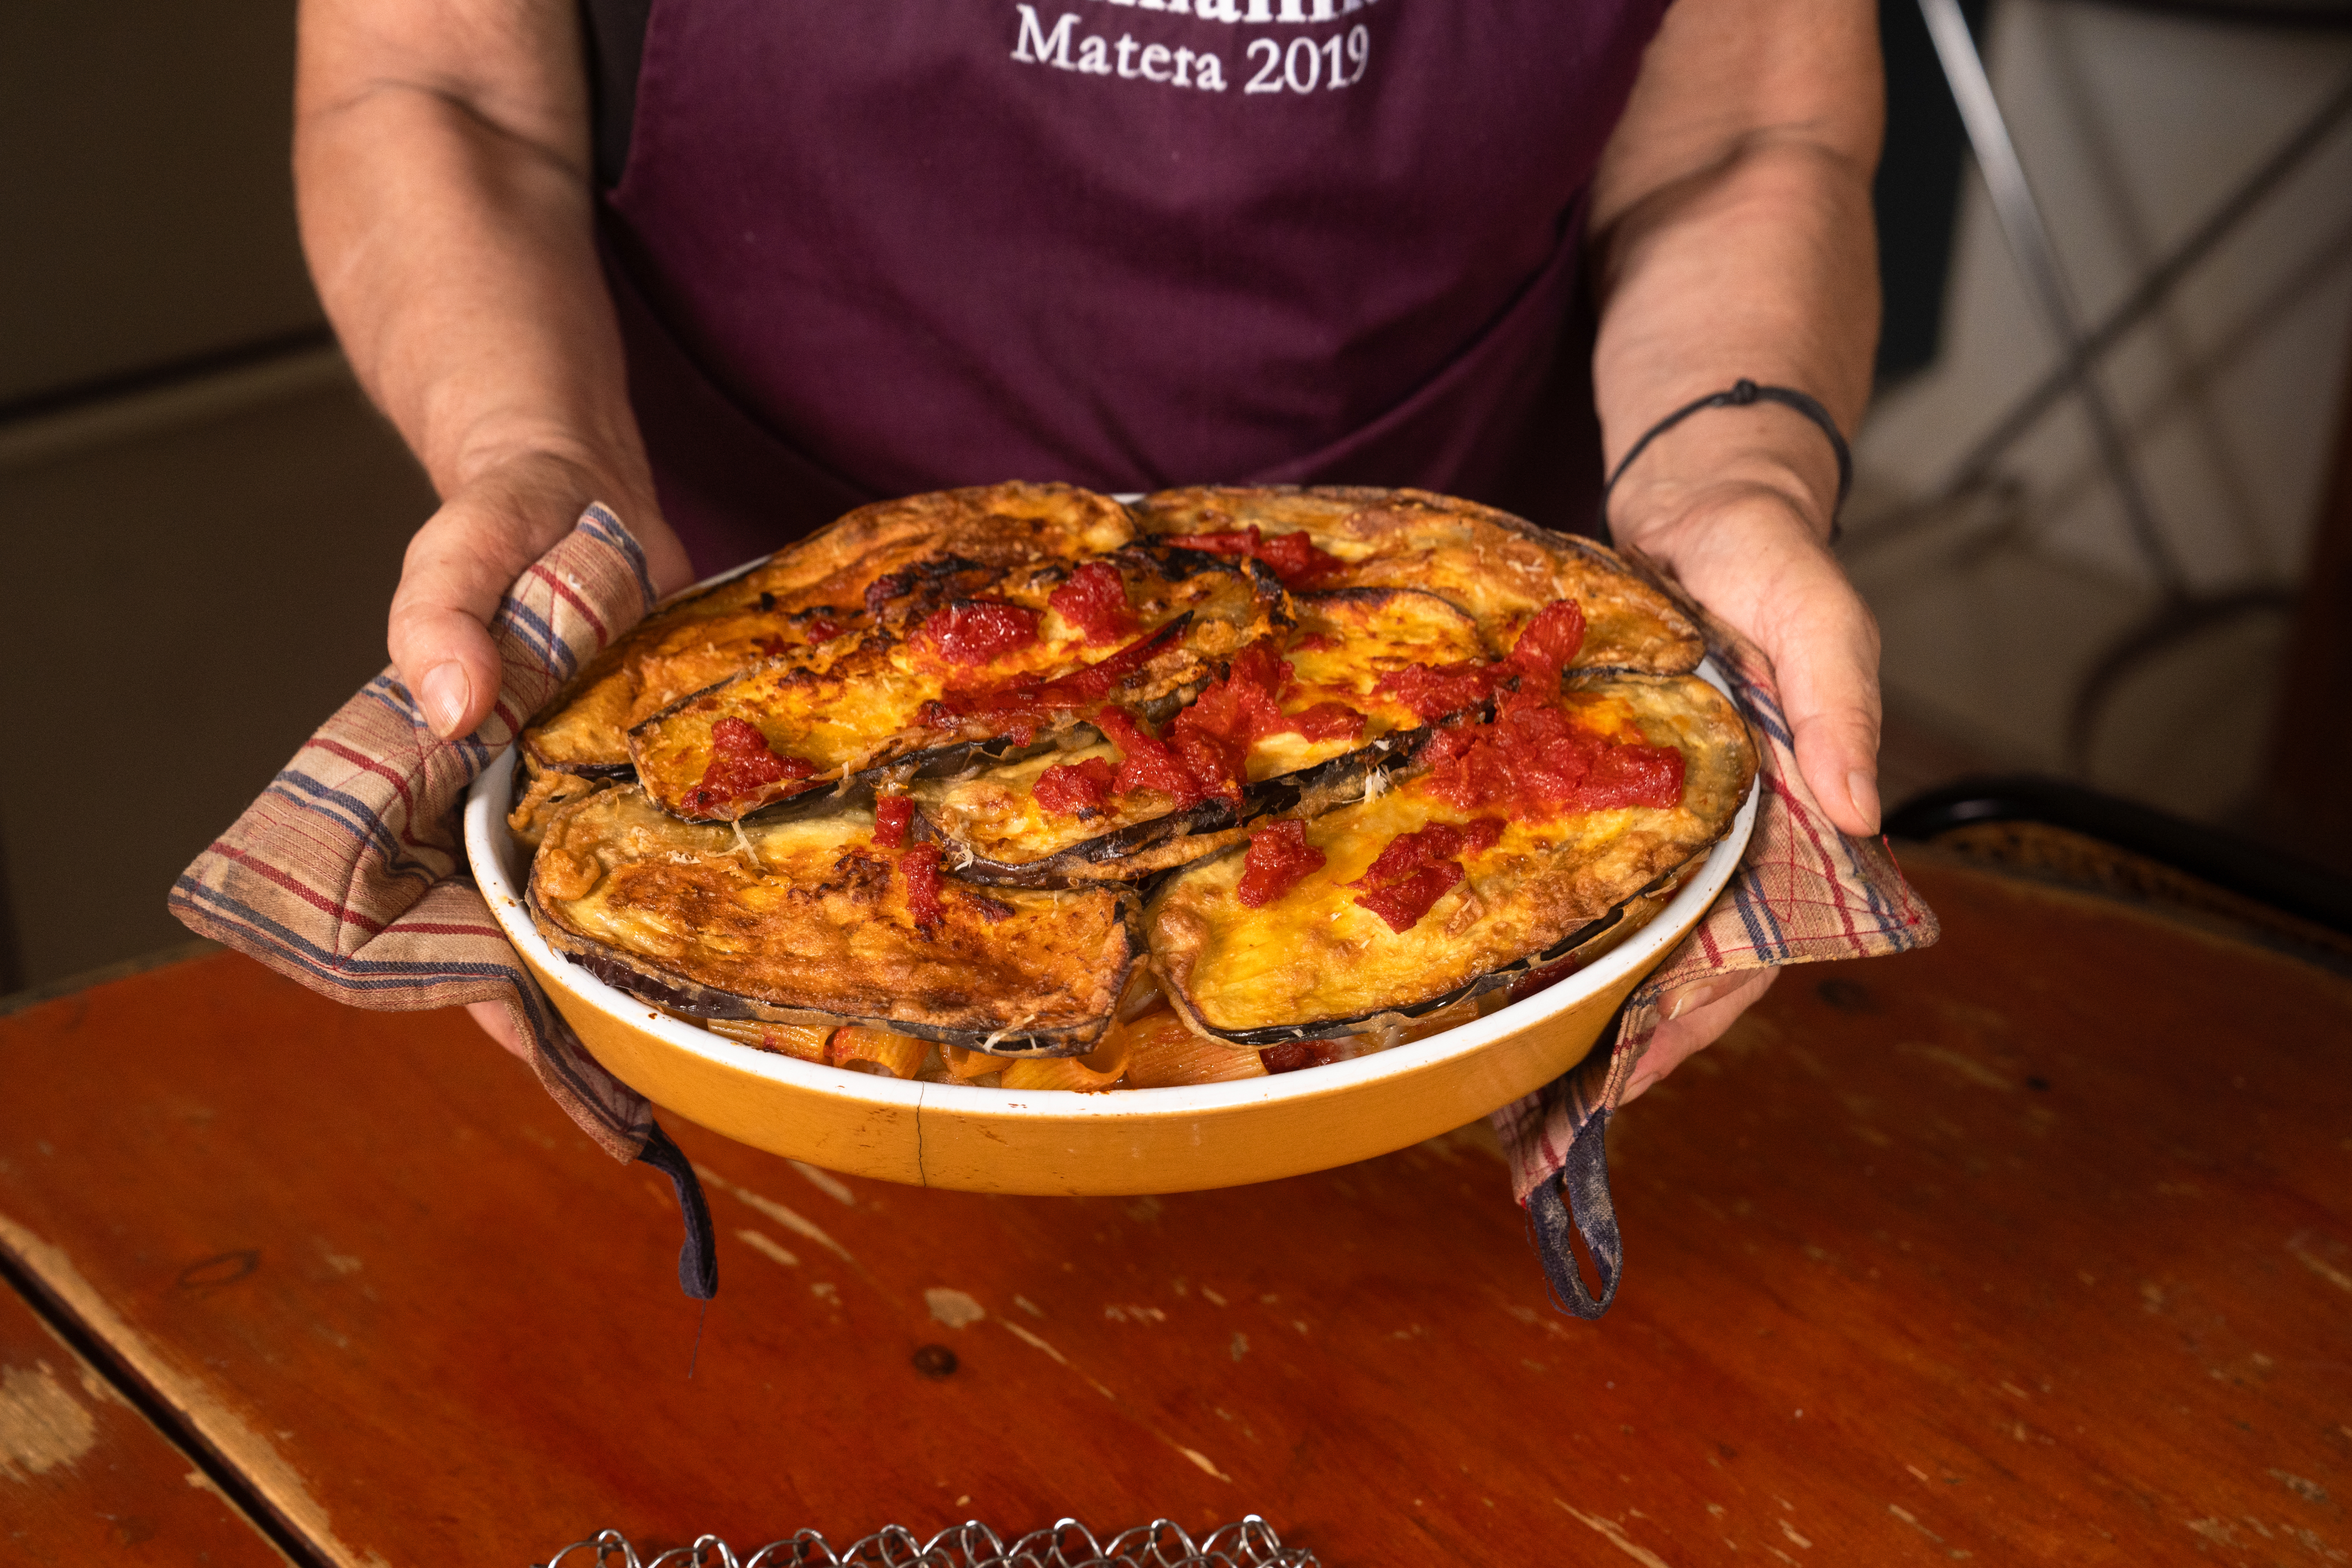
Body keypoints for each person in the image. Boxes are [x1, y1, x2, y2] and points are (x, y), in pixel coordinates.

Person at [294, 0, 1885, 1093]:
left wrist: (1725, 477)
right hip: (773, 791)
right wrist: (534, 455)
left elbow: (1743, 136)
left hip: (1454, 774)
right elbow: (439, 82)